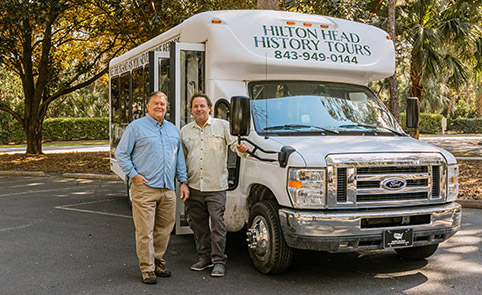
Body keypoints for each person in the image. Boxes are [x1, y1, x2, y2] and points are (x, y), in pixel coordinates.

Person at [115, 91, 189, 284]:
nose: (159, 107)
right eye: (155, 103)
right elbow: (121, 153)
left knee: (164, 229)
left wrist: (183, 181)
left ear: (166, 107)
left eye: (162, 104)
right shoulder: (136, 128)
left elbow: (178, 157)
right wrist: (134, 175)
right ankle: (147, 268)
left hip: (167, 188)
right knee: (145, 230)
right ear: (147, 106)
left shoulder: (173, 129)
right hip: (145, 188)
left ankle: (157, 260)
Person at [180, 93, 249, 277]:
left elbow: (236, 147)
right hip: (194, 187)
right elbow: (181, 160)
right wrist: (183, 183)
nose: (199, 109)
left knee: (217, 226)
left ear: (209, 108)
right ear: (192, 110)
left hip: (216, 187)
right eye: (195, 106)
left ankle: (219, 261)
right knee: (198, 225)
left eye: (203, 106)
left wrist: (242, 150)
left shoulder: (222, 126)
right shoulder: (185, 131)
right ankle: (204, 258)